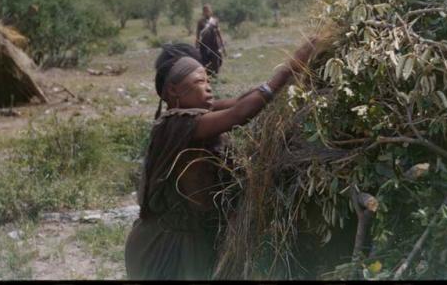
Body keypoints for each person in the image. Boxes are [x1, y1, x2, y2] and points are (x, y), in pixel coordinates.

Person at [124, 39, 318, 280]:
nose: (208, 87)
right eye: (199, 82)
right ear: (173, 91)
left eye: (208, 80)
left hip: (193, 240)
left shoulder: (200, 113)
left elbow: (239, 103)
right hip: (166, 247)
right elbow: (240, 114)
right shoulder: (174, 124)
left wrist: (286, 79)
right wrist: (291, 66)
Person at [195, 4, 226, 77]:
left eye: (208, 11)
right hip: (204, 45)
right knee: (204, 62)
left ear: (211, 11)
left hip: (214, 45)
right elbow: (198, 34)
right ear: (203, 12)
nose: (207, 12)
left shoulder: (215, 21)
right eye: (205, 11)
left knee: (216, 60)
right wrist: (197, 45)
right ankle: (207, 77)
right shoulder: (200, 22)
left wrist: (222, 46)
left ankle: (216, 76)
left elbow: (219, 33)